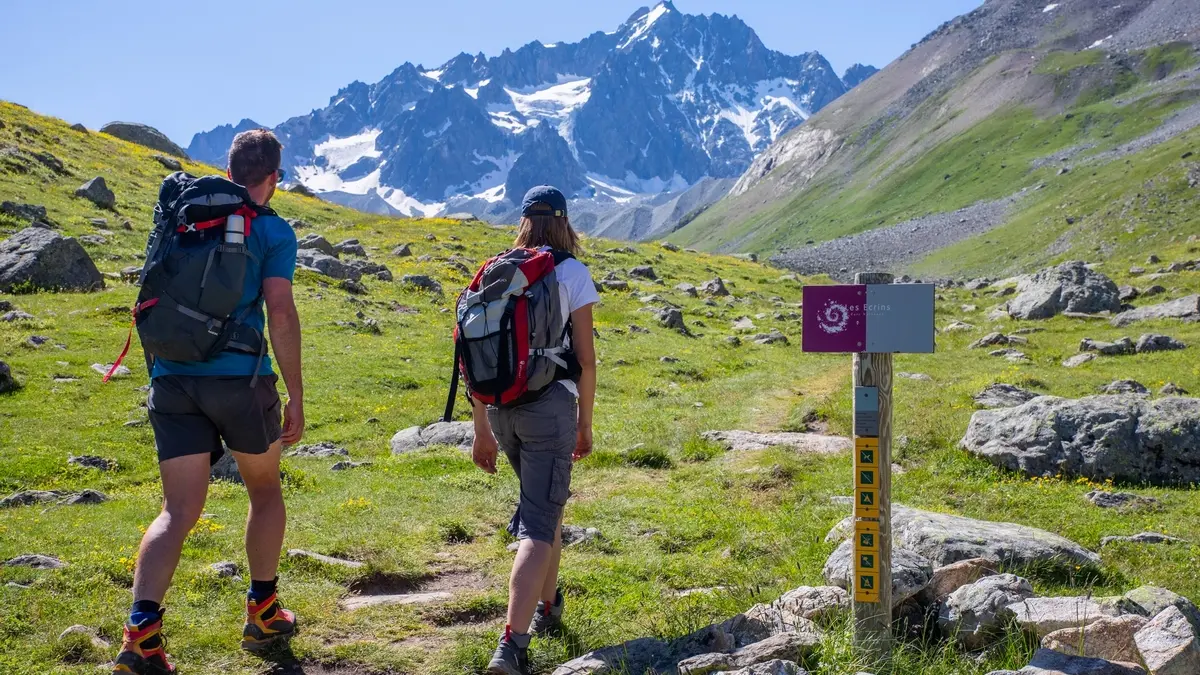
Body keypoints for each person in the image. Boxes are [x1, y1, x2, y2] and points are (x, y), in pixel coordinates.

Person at [114, 129, 304, 675]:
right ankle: (263, 613)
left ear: (229, 171)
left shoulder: (183, 217)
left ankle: (141, 636)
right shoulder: (272, 230)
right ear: (273, 177)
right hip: (240, 380)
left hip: (172, 377)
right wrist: (294, 393)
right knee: (264, 490)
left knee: (176, 511)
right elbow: (280, 312)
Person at [470, 185, 599, 675]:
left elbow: (474, 354)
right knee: (539, 526)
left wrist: (481, 429)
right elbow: (586, 360)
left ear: (523, 221)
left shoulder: (496, 271)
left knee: (546, 506)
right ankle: (512, 645)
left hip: (501, 410)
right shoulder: (571, 272)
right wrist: (584, 424)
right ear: (564, 222)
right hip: (550, 407)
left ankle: (549, 606)